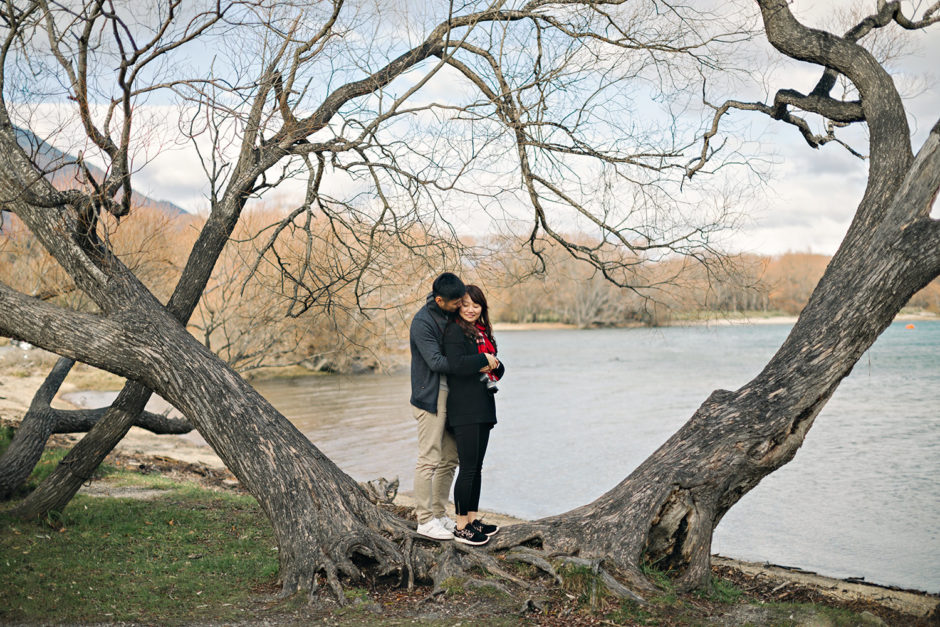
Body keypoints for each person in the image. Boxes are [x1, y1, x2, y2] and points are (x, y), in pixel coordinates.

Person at [410, 273, 498, 540]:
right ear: (441, 300)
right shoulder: (423, 322)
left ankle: (438, 514)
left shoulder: (449, 315)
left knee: (450, 460)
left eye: (467, 302)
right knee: (429, 458)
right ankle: (425, 520)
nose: (463, 306)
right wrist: (478, 360)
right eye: (459, 302)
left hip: (453, 396)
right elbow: (439, 362)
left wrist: (486, 362)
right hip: (431, 394)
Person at [442, 285, 504, 546]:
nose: (470, 309)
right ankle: (460, 526)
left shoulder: (483, 332)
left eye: (476, 305)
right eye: (465, 304)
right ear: (458, 305)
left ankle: (472, 519)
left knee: (477, 468)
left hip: (484, 405)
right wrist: (483, 359)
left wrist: (495, 365)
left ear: (482, 307)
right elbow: (455, 365)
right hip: (464, 407)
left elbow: (497, 369)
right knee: (467, 468)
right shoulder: (454, 330)